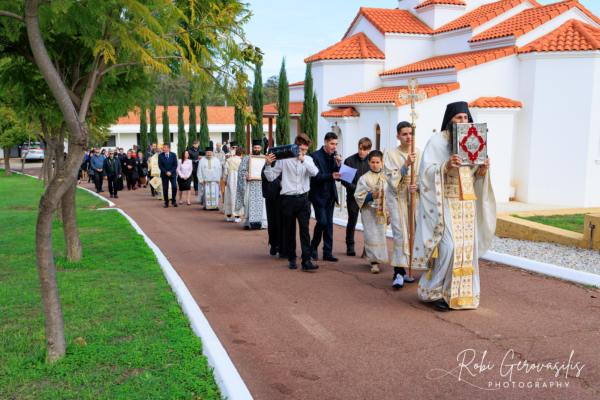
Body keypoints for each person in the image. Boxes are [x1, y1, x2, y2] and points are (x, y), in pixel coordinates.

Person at [412, 101, 495, 312]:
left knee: (467, 247)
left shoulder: (473, 140)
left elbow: (473, 175)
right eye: (458, 117)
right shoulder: (437, 141)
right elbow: (425, 173)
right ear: (449, 120)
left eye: (466, 117)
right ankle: (435, 290)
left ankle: (460, 294)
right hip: (444, 202)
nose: (463, 121)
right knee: (449, 247)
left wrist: (482, 169)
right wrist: (446, 166)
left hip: (466, 203)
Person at [265, 133, 319, 271]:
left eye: (305, 150)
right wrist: (268, 165)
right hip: (288, 199)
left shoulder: (308, 159)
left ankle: (306, 261)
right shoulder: (284, 159)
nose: (303, 152)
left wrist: (303, 160)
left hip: (303, 198)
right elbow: (271, 177)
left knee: (305, 231)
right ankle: (292, 258)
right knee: (289, 231)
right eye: (301, 149)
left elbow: (314, 173)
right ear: (295, 147)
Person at [384, 122, 422, 289]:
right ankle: (398, 272)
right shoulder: (392, 155)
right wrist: (406, 164)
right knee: (400, 233)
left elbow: (426, 177)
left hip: (414, 198)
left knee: (414, 232)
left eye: (410, 133)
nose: (408, 137)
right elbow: (391, 179)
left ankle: (412, 268)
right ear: (398, 136)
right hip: (397, 198)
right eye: (404, 134)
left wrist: (418, 187)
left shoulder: (420, 154)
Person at [354, 150, 390, 274]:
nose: (375, 165)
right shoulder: (364, 178)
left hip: (382, 211)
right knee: (371, 235)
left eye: (377, 162)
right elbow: (358, 195)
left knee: (380, 235)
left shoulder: (386, 177)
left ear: (382, 162)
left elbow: (391, 197)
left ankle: (376, 257)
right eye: (373, 162)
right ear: (368, 162)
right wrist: (371, 196)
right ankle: (374, 262)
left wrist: (389, 215)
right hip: (369, 211)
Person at [308, 132, 342, 262]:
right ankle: (313, 246)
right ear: (325, 142)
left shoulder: (335, 156)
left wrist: (339, 165)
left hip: (331, 195)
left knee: (329, 225)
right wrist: (332, 175)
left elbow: (338, 176)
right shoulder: (314, 156)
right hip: (318, 195)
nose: (334, 147)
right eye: (332, 144)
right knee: (322, 222)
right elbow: (316, 176)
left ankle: (327, 252)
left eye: (336, 144)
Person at [340, 137, 372, 256]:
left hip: (368, 198)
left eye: (364, 149)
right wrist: (358, 190)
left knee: (368, 223)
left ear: (369, 149)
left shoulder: (372, 162)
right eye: (360, 148)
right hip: (352, 197)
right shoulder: (349, 161)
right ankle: (350, 246)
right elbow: (344, 181)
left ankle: (369, 248)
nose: (361, 151)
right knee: (352, 221)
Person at [235, 139, 268, 230]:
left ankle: (262, 223)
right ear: (252, 148)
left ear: (261, 148)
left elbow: (268, 170)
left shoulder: (264, 159)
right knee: (249, 203)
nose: (256, 149)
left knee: (262, 204)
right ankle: (247, 223)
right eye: (255, 147)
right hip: (250, 185)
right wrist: (246, 175)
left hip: (261, 185)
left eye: (258, 148)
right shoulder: (246, 158)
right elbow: (241, 171)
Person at [262, 158, 285, 257]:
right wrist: (279, 183)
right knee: (273, 221)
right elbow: (265, 175)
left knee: (284, 222)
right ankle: (274, 244)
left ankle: (283, 246)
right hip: (273, 196)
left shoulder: (288, 161)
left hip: (285, 196)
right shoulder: (271, 162)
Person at [223, 147, 243, 222]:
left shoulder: (228, 160)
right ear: (241, 154)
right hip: (238, 182)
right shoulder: (241, 161)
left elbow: (225, 172)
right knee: (237, 198)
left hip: (230, 181)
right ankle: (237, 217)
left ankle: (228, 216)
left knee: (229, 197)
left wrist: (225, 180)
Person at [158, 142, 178, 208]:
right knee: (165, 188)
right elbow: (160, 166)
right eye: (163, 147)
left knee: (174, 187)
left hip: (172, 174)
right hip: (164, 174)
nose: (163, 149)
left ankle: (173, 201)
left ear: (168, 148)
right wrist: (166, 172)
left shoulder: (173, 155)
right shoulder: (160, 155)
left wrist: (170, 172)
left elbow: (175, 165)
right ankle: (166, 202)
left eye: (165, 147)